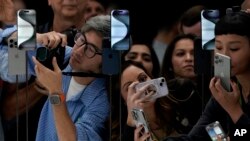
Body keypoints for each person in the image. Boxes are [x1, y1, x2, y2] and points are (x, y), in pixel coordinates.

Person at [164, 10, 250, 141]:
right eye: (219, 47)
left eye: (234, 49)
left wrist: (234, 110)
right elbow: (196, 136)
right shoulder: (225, 86)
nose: (224, 55)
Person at [32, 15, 110, 141]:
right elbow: (11, 48)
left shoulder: (102, 101)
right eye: (81, 40)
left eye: (90, 49)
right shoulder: (65, 56)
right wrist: (38, 37)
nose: (78, 51)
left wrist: (56, 92)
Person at [120, 60, 178, 141]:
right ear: (123, 100)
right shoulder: (122, 134)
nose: (141, 89)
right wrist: (132, 120)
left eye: (143, 79)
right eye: (131, 88)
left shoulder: (178, 101)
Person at [161, 34, 203, 134]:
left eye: (194, 53)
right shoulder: (160, 99)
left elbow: (218, 135)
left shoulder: (215, 92)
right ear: (169, 63)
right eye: (180, 54)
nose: (188, 58)